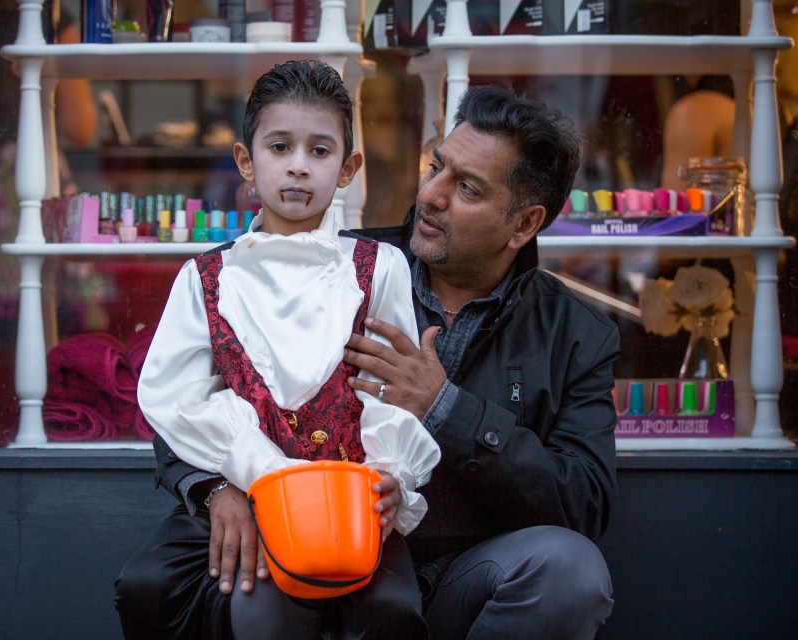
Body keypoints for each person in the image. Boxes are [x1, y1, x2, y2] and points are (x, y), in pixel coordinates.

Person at [139, 84, 619, 638]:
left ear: (523, 224)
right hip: (326, 556)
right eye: (437, 166)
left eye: (466, 188)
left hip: (467, 570)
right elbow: (191, 391)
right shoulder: (344, 264)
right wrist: (217, 487)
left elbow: (583, 501)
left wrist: (447, 410)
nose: (432, 195)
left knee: (571, 572)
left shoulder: (576, 334)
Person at [115, 59, 440, 640]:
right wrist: (248, 477)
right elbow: (176, 396)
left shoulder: (379, 268)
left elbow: (389, 391)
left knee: (390, 611)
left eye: (320, 151)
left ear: (348, 169)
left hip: (351, 503)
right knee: (147, 584)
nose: (298, 165)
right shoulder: (206, 277)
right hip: (245, 490)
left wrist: (392, 476)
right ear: (247, 160)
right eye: (280, 146)